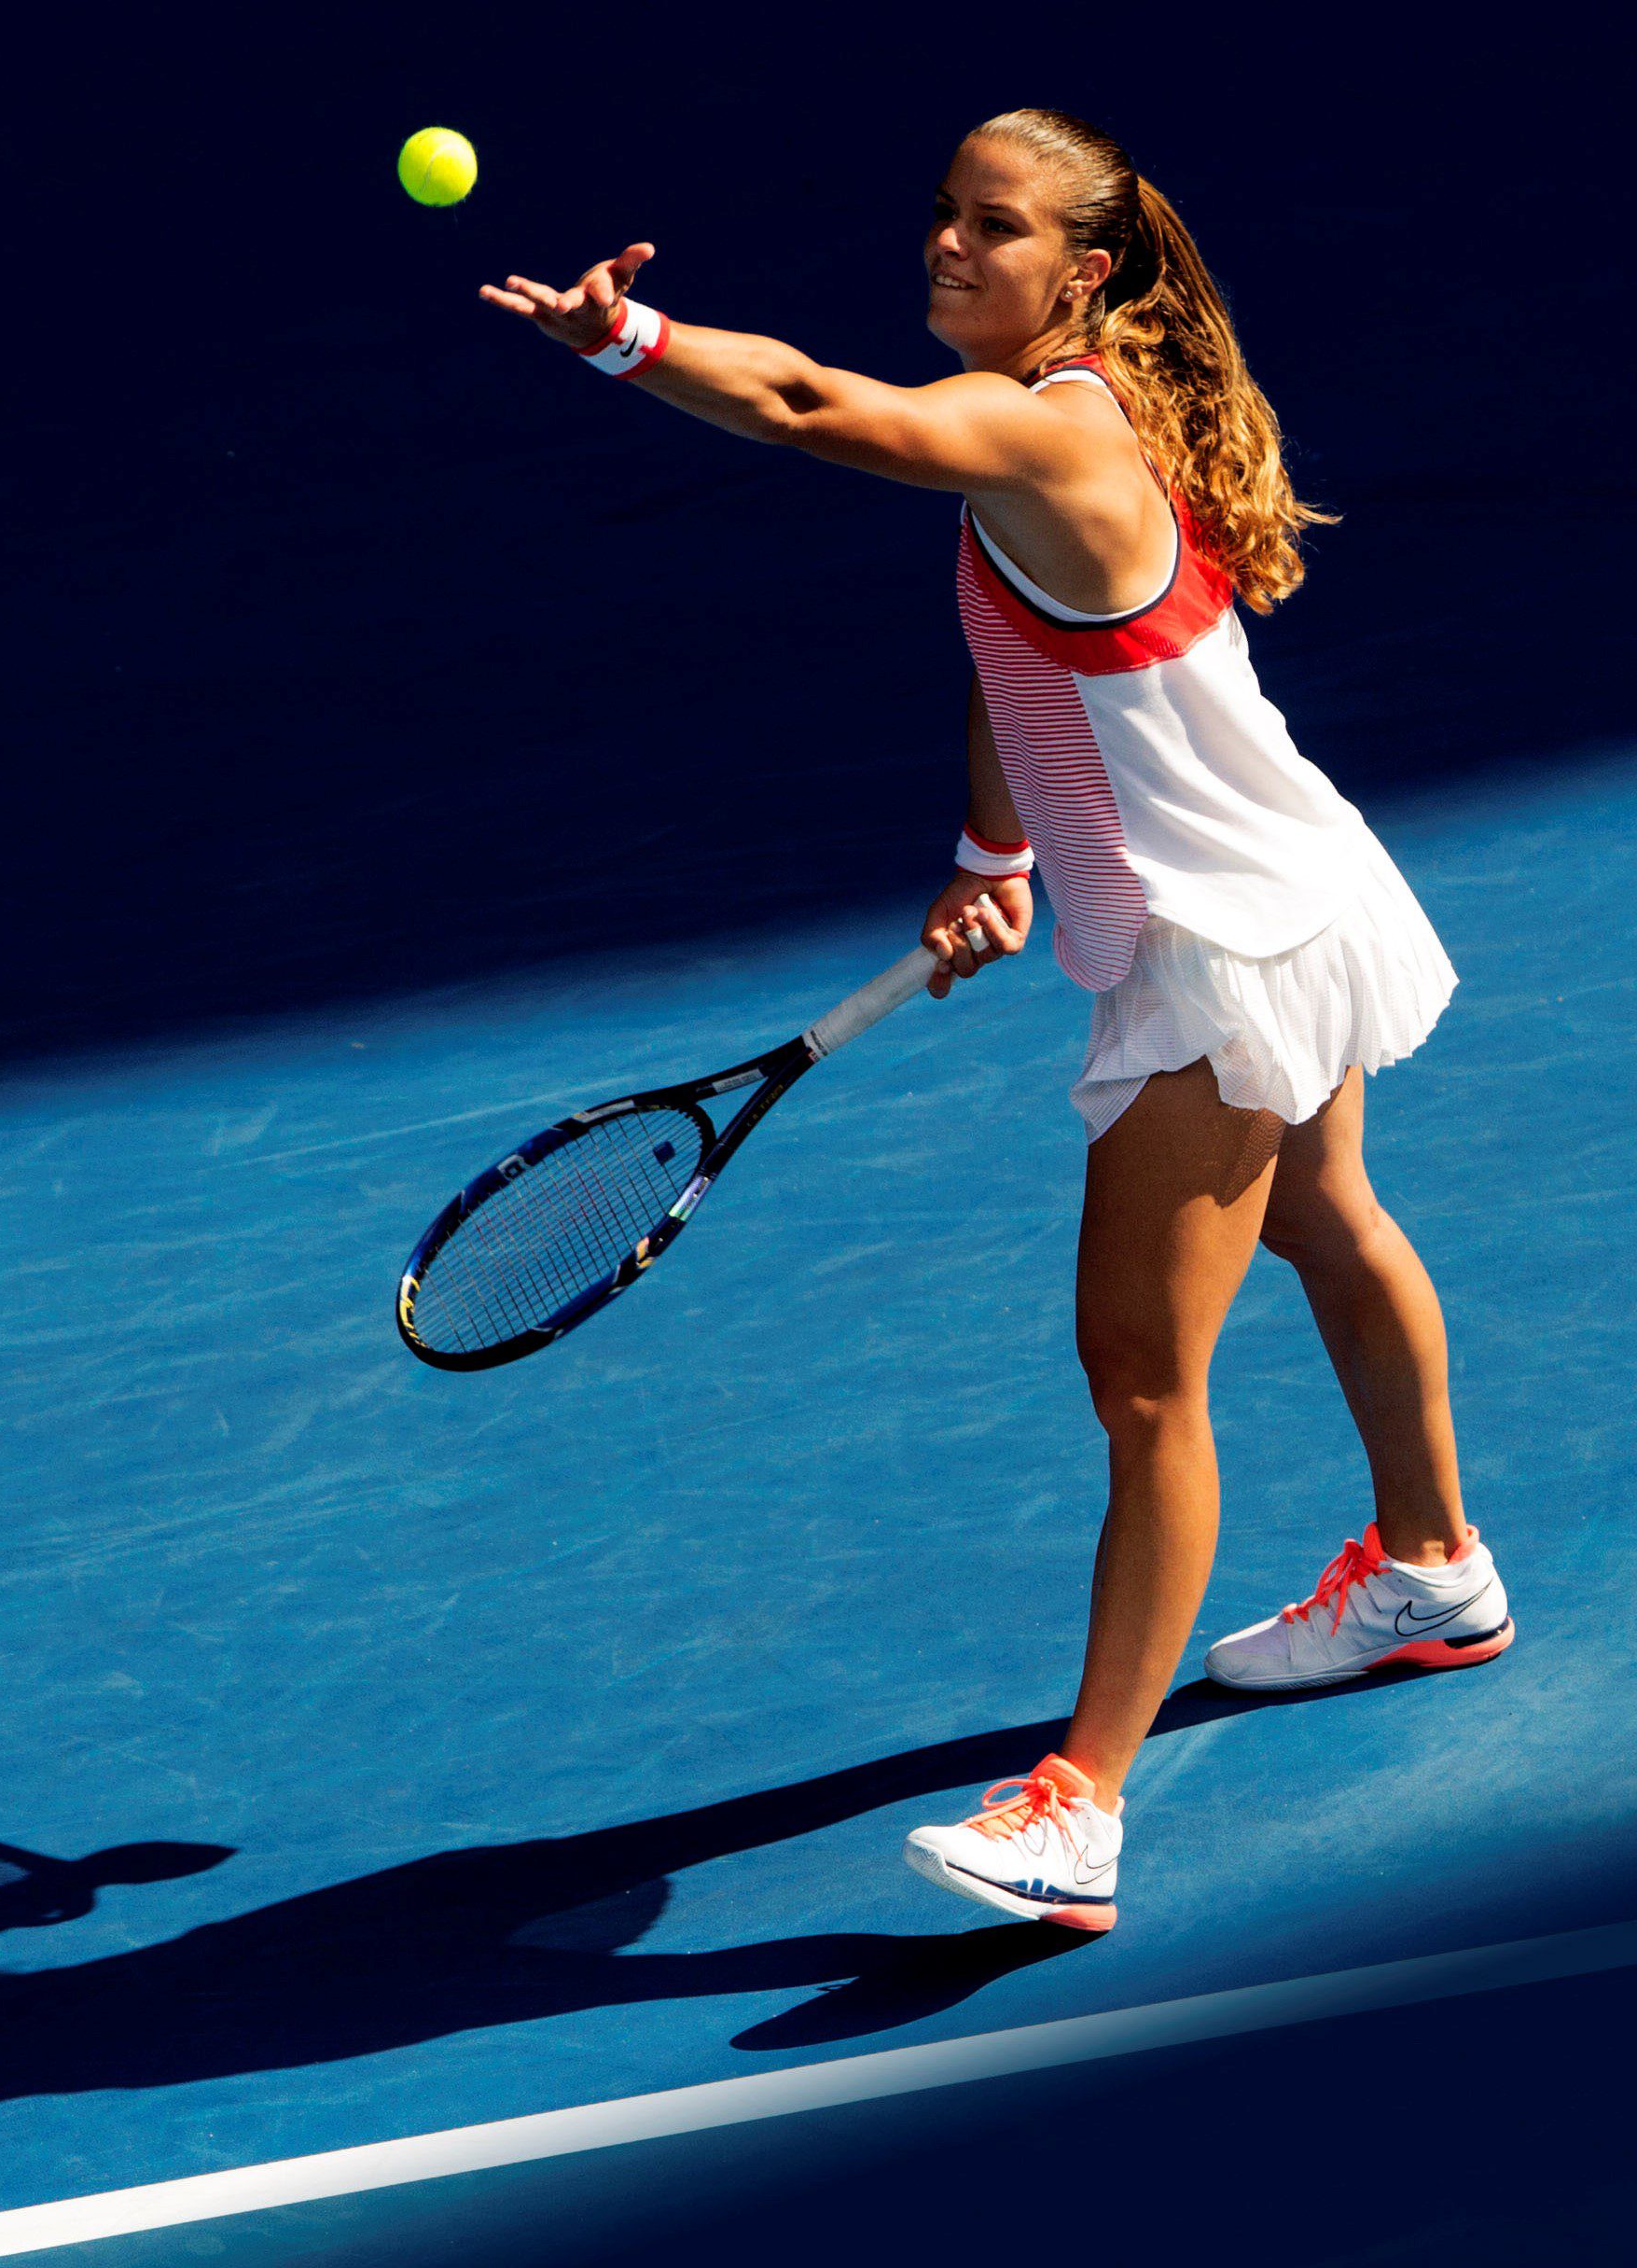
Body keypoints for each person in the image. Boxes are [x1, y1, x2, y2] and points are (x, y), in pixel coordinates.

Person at [481, 107, 1510, 1933]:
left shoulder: (1047, 432)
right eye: (945, 211)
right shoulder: (1081, 412)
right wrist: (991, 849)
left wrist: (622, 337)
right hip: (1295, 878)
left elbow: (805, 403)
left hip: (1217, 948)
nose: (950, 243)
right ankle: (1432, 1567)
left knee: (1142, 1380)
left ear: (1082, 272)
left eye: (996, 225)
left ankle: (1078, 1811)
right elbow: (1016, 657)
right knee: (1325, 1214)